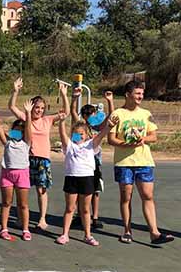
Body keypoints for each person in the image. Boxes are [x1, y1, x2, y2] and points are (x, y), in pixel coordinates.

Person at [108, 80, 174, 245]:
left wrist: (143, 139)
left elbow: (154, 136)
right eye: (137, 93)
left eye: (142, 94)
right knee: (126, 197)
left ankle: (154, 233)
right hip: (124, 162)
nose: (140, 96)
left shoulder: (146, 113)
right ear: (128, 94)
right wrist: (125, 144)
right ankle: (127, 231)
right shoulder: (117, 114)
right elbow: (111, 139)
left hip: (144, 161)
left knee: (148, 196)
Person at [9, 77, 70, 229]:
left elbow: (66, 112)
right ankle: (21, 218)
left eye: (42, 108)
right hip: (26, 159)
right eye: (37, 107)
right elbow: (12, 107)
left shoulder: (47, 120)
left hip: (43, 160)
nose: (39, 110)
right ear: (31, 107)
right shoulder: (26, 118)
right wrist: (15, 91)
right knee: (22, 190)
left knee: (41, 190)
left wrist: (64, 95)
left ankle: (42, 219)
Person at [56, 114, 117, 246]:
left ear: (87, 135)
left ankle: (88, 235)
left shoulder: (91, 144)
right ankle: (65, 234)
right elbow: (62, 134)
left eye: (81, 134)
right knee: (70, 208)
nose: (79, 136)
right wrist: (61, 122)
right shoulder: (69, 145)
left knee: (85, 209)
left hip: (87, 179)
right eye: (76, 134)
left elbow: (101, 135)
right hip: (71, 178)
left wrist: (108, 127)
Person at [0, 99, 34, 241]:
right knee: (6, 203)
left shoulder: (26, 143)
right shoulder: (7, 142)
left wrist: (28, 113)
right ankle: (4, 229)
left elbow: (29, 129)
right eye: (15, 130)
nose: (18, 132)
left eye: (21, 131)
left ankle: (25, 229)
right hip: (7, 175)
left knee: (23, 204)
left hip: (22, 174)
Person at [71, 89, 115, 229]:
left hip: (95, 162)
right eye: (90, 115)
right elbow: (72, 112)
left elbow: (111, 116)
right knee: (80, 191)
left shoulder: (98, 127)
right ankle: (80, 215)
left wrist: (110, 101)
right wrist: (74, 98)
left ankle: (94, 217)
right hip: (81, 163)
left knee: (95, 191)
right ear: (85, 116)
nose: (93, 117)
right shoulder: (80, 128)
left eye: (94, 114)